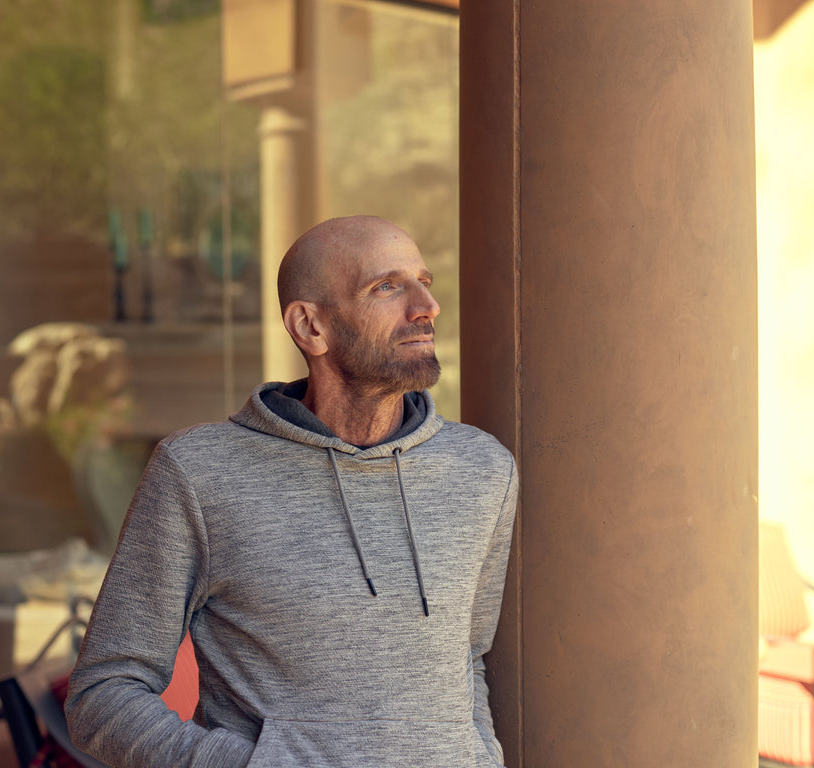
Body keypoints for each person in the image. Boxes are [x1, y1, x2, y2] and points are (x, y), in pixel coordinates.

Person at [65, 215, 519, 767]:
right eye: (387, 287)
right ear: (310, 327)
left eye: (424, 281)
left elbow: (466, 660)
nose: (427, 306)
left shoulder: (482, 470)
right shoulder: (199, 472)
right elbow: (103, 694)